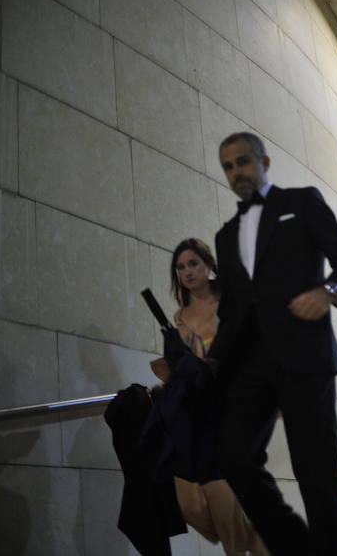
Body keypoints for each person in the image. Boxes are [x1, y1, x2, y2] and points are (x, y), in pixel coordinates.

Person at [207, 132, 337, 555]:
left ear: (264, 162)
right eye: (227, 166)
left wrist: (328, 291)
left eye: (242, 162)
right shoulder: (225, 237)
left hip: (305, 359)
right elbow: (231, 312)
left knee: (317, 475)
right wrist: (209, 364)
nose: (235, 172)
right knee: (234, 459)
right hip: (249, 367)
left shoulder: (301, 203)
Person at [109, 238, 267, 556]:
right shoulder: (179, 318)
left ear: (209, 265)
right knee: (191, 506)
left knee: (223, 502)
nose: (187, 271)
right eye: (181, 267)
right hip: (190, 420)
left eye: (193, 263)